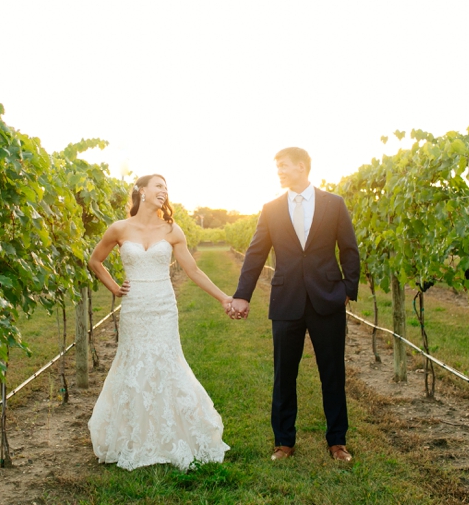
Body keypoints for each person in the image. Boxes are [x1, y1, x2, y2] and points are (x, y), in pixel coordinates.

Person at [87, 174, 233, 471]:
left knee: (166, 362)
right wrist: (115, 288)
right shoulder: (118, 228)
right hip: (134, 307)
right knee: (134, 363)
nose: (164, 191)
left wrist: (223, 297)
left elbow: (192, 270)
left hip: (163, 306)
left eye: (166, 188)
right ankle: (133, 436)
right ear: (141, 191)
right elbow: (95, 261)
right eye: (158, 186)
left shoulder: (172, 229)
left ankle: (172, 433)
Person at [230, 147, 360, 462]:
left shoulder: (334, 204)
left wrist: (348, 289)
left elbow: (349, 248)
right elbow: (256, 253)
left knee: (333, 372)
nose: (279, 172)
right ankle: (284, 442)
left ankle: (337, 442)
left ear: (301, 167)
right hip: (286, 300)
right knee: (284, 373)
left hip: (327, 298)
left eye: (284, 166)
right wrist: (242, 295)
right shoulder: (271, 208)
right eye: (278, 167)